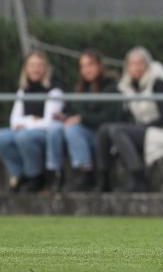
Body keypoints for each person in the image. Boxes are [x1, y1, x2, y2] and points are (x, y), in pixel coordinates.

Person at [95, 47, 163, 192]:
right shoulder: (127, 86)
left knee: (117, 130)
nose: (136, 67)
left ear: (147, 64)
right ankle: (103, 179)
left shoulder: (158, 83)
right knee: (104, 130)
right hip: (147, 129)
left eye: (140, 63)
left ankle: (139, 178)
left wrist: (143, 127)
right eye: (132, 64)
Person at [49, 49, 123, 192]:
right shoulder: (81, 88)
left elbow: (109, 117)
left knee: (72, 129)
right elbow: (72, 109)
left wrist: (82, 119)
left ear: (100, 65)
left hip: (99, 136)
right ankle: (56, 174)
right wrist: (63, 115)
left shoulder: (111, 87)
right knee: (55, 129)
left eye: (90, 65)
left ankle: (85, 173)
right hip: (82, 133)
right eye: (83, 66)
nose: (86, 70)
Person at [0, 50, 64, 193]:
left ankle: (35, 176)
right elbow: (14, 121)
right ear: (26, 68)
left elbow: (48, 123)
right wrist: (32, 120)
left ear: (46, 68)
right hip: (27, 131)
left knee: (24, 136)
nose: (35, 69)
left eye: (39, 65)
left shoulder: (54, 90)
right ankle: (20, 174)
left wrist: (25, 123)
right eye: (32, 65)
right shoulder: (23, 90)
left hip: (44, 135)